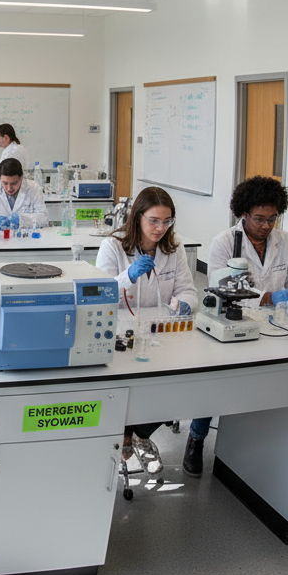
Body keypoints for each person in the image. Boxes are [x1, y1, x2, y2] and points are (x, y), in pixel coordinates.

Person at [183, 175, 288, 478]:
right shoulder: (225, 243)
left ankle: (256, 445)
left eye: (272, 218)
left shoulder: (286, 241)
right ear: (243, 214)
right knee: (217, 379)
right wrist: (270, 297)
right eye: (259, 219)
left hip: (276, 327)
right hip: (232, 322)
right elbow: (222, 289)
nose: (267, 226)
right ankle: (197, 438)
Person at [96, 186, 196, 476]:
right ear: (138, 217)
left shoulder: (173, 249)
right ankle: (127, 435)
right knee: (128, 387)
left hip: (162, 334)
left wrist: (186, 306)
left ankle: (138, 434)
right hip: (121, 336)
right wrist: (128, 275)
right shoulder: (113, 247)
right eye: (153, 220)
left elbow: (189, 290)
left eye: (167, 221)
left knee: (174, 383)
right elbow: (99, 296)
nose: (160, 228)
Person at [0, 157, 49, 227]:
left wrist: (22, 220)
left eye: (14, 183)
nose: (9, 188)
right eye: (5, 183)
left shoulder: (33, 187)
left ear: (21, 178)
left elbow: (44, 218)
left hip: (26, 235)